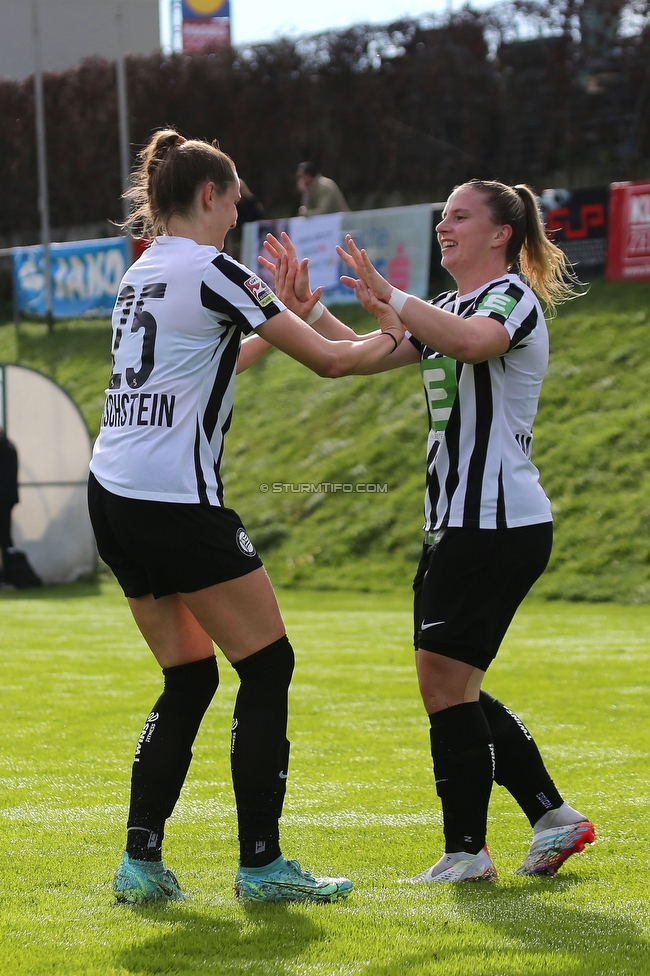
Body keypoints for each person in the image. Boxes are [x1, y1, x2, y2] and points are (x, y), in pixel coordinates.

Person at [87, 129, 404, 906]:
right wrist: (411, 337)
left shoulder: (143, 274)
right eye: (235, 199)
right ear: (208, 196)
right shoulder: (215, 267)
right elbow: (333, 360)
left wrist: (288, 313)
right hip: (172, 501)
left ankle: (140, 863)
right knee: (267, 666)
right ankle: (262, 867)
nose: (239, 212)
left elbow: (209, 360)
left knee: (188, 677)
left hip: (113, 492)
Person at [261, 179, 595, 883]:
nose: (445, 227)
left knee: (444, 684)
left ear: (501, 233)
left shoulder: (509, 297)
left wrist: (395, 299)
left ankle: (468, 852)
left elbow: (476, 344)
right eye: (441, 217)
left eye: (460, 217)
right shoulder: (444, 306)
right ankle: (549, 817)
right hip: (459, 523)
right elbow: (359, 354)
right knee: (452, 683)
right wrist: (306, 309)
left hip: (494, 521)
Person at [0, 426, 19, 578]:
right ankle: (9, 572)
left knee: (5, 536)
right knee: (6, 536)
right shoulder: (10, 447)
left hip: (3, 498)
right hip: (8, 498)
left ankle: (7, 573)